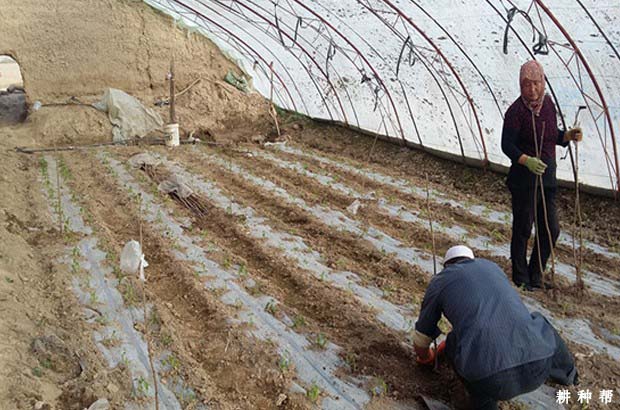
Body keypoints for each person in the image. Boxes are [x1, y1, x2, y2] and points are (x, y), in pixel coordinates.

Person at [414, 245, 578, 410]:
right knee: (539, 321)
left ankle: (484, 405)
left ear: (446, 266)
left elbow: (421, 337)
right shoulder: (491, 267)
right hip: (539, 367)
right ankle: (569, 376)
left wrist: (426, 358)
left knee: (453, 343)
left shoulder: (441, 280)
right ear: (472, 259)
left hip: (493, 382)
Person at [501, 60, 582, 291]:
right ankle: (520, 276)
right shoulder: (516, 112)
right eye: (527, 85)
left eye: (536, 83)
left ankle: (536, 273)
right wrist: (526, 160)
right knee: (523, 228)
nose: (532, 90)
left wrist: (567, 136)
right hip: (524, 181)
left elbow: (551, 135)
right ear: (521, 85)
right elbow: (507, 145)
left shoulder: (547, 105)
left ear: (543, 82)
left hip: (547, 178)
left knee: (550, 229)